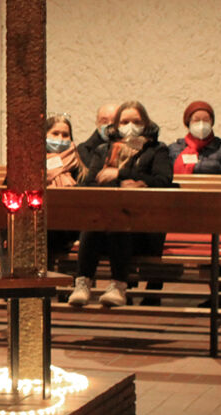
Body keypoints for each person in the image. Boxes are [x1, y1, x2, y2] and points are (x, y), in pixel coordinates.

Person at [69, 101, 172, 307]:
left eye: (136, 121)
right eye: (125, 121)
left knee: (118, 220)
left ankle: (118, 286)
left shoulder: (157, 150)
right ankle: (82, 284)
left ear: (146, 123)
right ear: (116, 126)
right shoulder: (103, 150)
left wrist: (120, 173)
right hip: (104, 229)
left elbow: (162, 180)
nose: (130, 126)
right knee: (99, 220)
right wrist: (125, 183)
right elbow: (91, 183)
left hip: (144, 229)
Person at [42, 114, 84, 269]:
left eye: (65, 135)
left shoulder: (79, 165)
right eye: (55, 133)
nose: (60, 138)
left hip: (70, 225)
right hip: (40, 222)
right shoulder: (30, 161)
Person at [168, 101, 221, 175]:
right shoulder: (175, 148)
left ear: (211, 123)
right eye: (196, 120)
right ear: (188, 123)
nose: (201, 124)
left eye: (206, 120)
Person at [76, 103, 120, 172]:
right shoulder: (84, 150)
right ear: (97, 122)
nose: (110, 125)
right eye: (104, 121)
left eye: (115, 121)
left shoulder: (130, 147)